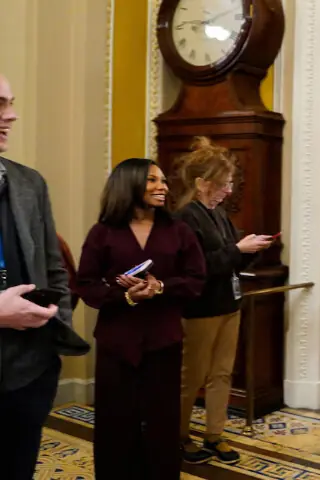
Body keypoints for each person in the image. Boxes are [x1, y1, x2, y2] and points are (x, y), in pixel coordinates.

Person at [76, 158, 206, 480]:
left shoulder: (179, 230)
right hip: (116, 343)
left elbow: (196, 279)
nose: (163, 187)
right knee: (115, 422)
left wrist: (161, 286)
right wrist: (127, 296)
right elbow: (86, 285)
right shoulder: (102, 232)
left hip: (163, 340)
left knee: (162, 422)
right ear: (129, 184)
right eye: (152, 181)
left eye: (163, 180)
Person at [0, 73, 89, 480]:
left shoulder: (29, 182)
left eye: (11, 102)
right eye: (0, 104)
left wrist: (56, 333)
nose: (13, 115)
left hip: (29, 375)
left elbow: (55, 267)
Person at [172, 137, 274, 464]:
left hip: (229, 305)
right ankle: (179, 436)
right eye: (223, 183)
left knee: (222, 375)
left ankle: (214, 434)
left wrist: (251, 250)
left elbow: (229, 260)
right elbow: (197, 266)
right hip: (200, 310)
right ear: (202, 184)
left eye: (230, 183)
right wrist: (237, 250)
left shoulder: (218, 215)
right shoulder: (186, 217)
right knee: (191, 377)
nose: (229, 190)